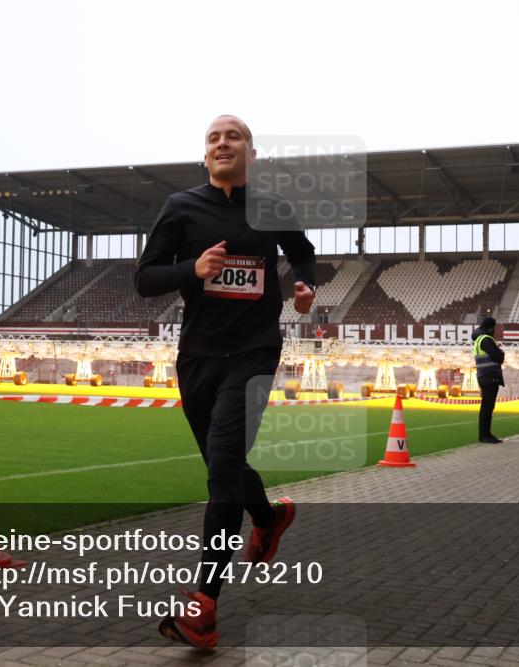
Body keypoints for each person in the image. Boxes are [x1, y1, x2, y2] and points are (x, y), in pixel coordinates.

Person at [135, 115, 316, 648]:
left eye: (232, 136)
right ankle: (269, 515)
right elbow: (145, 278)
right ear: (204, 155)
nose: (222, 143)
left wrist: (304, 284)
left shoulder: (273, 207)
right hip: (197, 356)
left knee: (221, 466)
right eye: (214, 137)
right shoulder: (180, 207)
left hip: (255, 350)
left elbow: (301, 251)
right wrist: (193, 268)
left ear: (251, 154)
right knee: (227, 464)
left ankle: (203, 604)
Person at [472, 316, 505, 443]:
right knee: (487, 407)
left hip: (484, 375)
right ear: (491, 328)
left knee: (486, 406)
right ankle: (485, 435)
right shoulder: (486, 339)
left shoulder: (479, 339)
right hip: (489, 376)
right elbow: (499, 356)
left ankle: (485, 434)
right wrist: (501, 352)